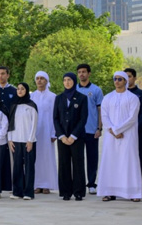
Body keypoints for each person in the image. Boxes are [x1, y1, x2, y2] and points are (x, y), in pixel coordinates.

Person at [97, 71, 142, 202]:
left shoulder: (133, 98)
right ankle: (109, 192)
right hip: (111, 137)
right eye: (115, 79)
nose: (117, 81)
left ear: (125, 81)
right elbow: (104, 116)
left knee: (128, 162)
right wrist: (113, 131)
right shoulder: (107, 97)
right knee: (111, 162)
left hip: (127, 136)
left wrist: (118, 130)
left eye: (120, 79)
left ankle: (133, 193)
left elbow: (132, 118)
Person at [53, 72, 88, 201]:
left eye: (69, 80)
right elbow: (55, 118)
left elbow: (83, 118)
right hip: (62, 137)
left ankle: (79, 192)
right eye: (65, 80)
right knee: (63, 164)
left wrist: (73, 135)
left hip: (77, 137)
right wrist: (61, 135)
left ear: (74, 81)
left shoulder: (82, 98)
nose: (67, 82)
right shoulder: (59, 98)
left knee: (78, 164)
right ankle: (65, 192)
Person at [75, 63, 103, 195]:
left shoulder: (96, 90)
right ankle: (78, 183)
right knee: (78, 159)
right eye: (79, 72)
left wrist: (99, 128)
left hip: (92, 130)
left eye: (84, 72)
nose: (81, 74)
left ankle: (91, 183)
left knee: (92, 158)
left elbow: (99, 110)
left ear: (89, 73)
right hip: (77, 131)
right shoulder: (74, 89)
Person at [8, 83, 38, 200]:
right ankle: (17, 192)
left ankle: (28, 193)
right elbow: (10, 124)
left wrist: (30, 140)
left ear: (27, 90)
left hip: (28, 141)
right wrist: (10, 139)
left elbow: (34, 125)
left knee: (29, 167)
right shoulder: (13, 105)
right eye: (18, 89)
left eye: (22, 89)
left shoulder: (31, 106)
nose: (20, 91)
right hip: (15, 140)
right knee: (17, 167)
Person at [31, 71, 58, 194]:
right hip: (35, 132)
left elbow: (55, 116)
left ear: (47, 81)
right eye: (37, 78)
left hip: (47, 132)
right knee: (35, 158)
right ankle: (36, 184)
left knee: (47, 157)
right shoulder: (31, 96)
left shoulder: (53, 97)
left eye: (42, 78)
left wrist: (54, 133)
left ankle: (47, 184)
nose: (39, 80)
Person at [125, 67, 142, 193]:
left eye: (129, 76)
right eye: (125, 76)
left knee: (139, 158)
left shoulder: (141, 94)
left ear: (134, 78)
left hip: (136, 133)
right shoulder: (119, 94)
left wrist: (134, 128)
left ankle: (140, 187)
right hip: (122, 134)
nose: (127, 79)